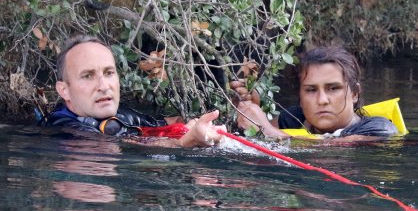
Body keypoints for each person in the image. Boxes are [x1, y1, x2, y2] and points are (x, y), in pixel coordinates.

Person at [43, 35, 223, 148]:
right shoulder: (62, 127)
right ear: (64, 90)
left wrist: (191, 125)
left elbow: (162, 123)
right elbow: (106, 147)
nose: (104, 85)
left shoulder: (122, 117)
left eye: (108, 73)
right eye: (88, 76)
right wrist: (184, 142)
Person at [232, 46, 399, 141]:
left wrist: (267, 130)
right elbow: (252, 135)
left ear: (355, 93)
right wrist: (247, 111)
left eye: (333, 88)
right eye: (311, 90)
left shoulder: (379, 129)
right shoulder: (293, 119)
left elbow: (332, 149)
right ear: (300, 96)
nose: (322, 100)